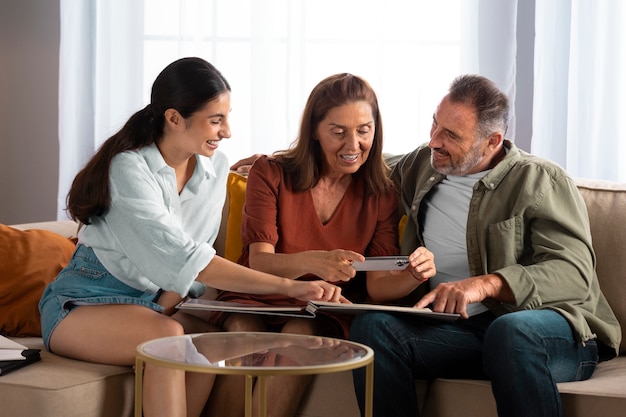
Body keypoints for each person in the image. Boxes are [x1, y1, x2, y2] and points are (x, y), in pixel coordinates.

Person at [38, 57, 345, 417]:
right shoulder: (129, 168)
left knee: (214, 344)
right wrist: (291, 287)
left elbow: (186, 268)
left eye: (227, 118)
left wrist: (154, 314)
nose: (227, 131)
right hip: (82, 302)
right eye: (216, 120)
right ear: (173, 118)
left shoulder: (214, 170)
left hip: (149, 303)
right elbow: (189, 260)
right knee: (168, 339)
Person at [348, 74, 622, 417]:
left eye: (451, 135)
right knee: (371, 328)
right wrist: (282, 163)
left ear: (492, 141)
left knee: (510, 331)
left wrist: (484, 285)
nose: (434, 141)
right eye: (435, 124)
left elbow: (573, 273)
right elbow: (362, 161)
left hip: (550, 333)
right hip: (463, 333)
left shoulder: (540, 180)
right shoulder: (422, 164)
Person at [203, 73, 436, 417]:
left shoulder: (381, 193)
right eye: (338, 132)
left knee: (302, 333)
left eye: (364, 130)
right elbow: (259, 262)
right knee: (241, 329)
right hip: (257, 296)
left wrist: (415, 274)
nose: (353, 144)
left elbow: (379, 286)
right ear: (314, 129)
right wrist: (318, 262)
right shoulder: (270, 173)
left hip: (319, 311)